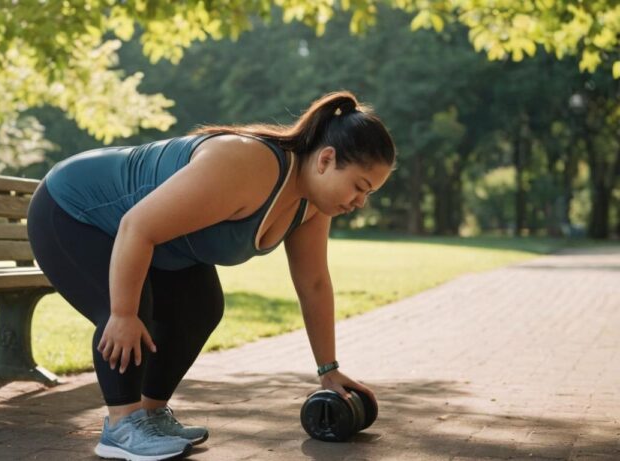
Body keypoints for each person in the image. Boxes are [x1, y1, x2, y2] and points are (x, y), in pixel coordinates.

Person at [26, 91, 396, 461]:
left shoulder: (311, 207)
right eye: (359, 187)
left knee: (200, 307)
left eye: (370, 194)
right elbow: (136, 226)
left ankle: (150, 416)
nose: (360, 202)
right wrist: (123, 313)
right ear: (326, 159)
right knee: (131, 308)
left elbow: (314, 284)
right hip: (73, 210)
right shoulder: (249, 164)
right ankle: (122, 427)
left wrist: (328, 371)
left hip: (150, 238)